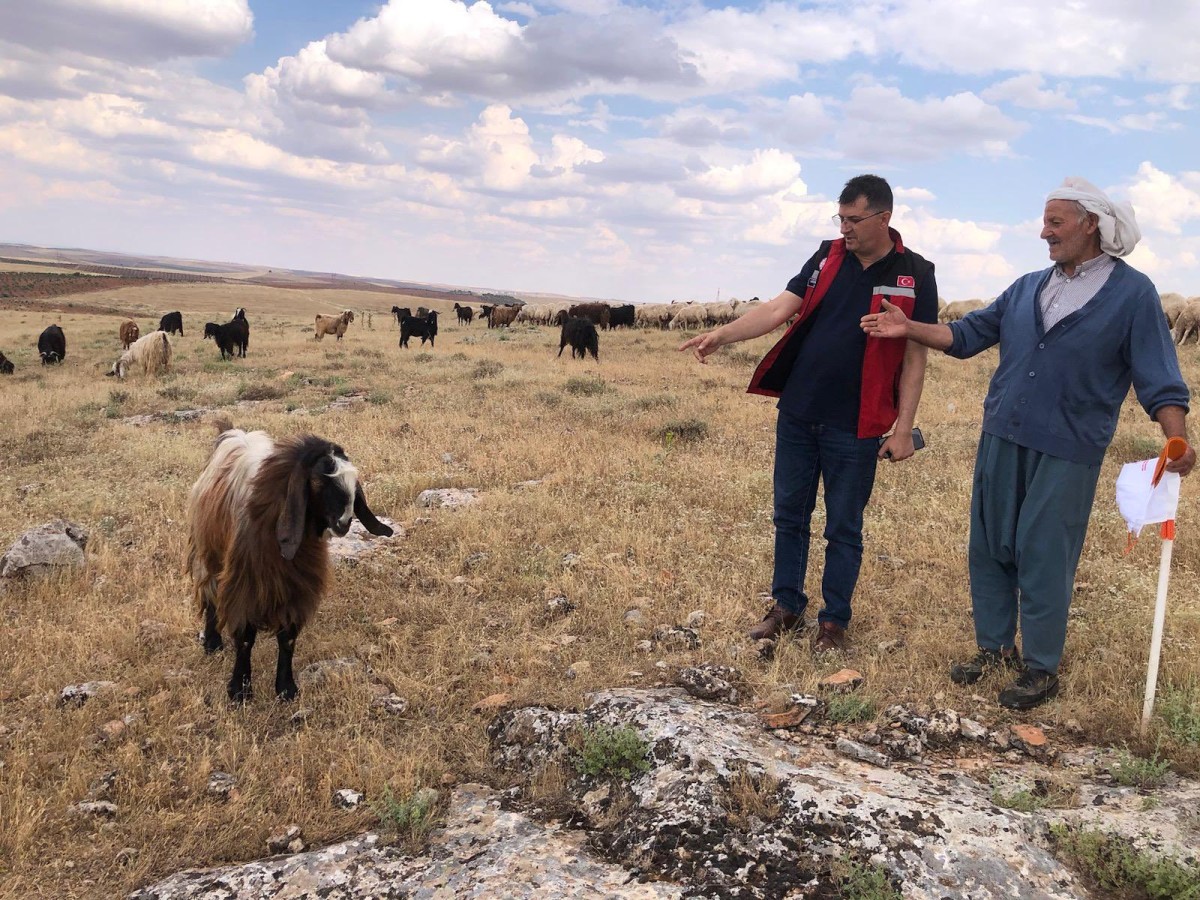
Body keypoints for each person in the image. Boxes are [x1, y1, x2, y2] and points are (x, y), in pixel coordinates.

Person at [861, 177, 1194, 709]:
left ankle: (1041, 668)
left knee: (1044, 553)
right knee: (990, 546)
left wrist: (1177, 439)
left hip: (1068, 446)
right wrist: (910, 328)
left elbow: (1159, 376)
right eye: (1044, 222)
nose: (1044, 233)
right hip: (1002, 434)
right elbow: (967, 335)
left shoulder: (1133, 294)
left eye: (1055, 222)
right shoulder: (1026, 286)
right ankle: (994, 649)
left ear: (1091, 224)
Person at [679, 174, 939, 652]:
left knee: (844, 526)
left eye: (855, 219)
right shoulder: (825, 256)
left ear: (885, 218)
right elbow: (779, 308)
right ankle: (786, 607)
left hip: (857, 423)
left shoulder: (916, 272)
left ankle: (833, 622)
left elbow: (916, 356)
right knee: (789, 515)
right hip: (799, 411)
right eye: (840, 218)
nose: (845, 228)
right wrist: (722, 335)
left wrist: (904, 431)